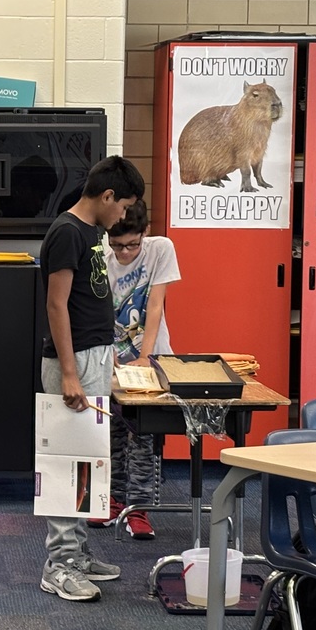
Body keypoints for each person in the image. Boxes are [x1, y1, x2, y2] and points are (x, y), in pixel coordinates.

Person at [38, 155, 142, 602]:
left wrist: (109, 356)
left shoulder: (93, 233)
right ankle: (58, 565)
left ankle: (77, 553)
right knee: (67, 464)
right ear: (107, 196)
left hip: (95, 357)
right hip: (72, 362)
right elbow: (56, 305)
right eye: (123, 207)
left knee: (88, 462)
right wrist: (68, 373)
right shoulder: (66, 232)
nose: (124, 216)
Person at [88, 199, 180, 539]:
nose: (124, 253)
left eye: (132, 245)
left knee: (144, 437)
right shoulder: (101, 255)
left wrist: (144, 355)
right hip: (110, 357)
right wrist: (108, 351)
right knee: (110, 435)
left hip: (150, 357)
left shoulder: (160, 250)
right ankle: (113, 502)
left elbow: (155, 305)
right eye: (117, 246)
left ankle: (139, 510)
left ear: (145, 233)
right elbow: (98, 310)